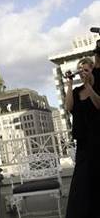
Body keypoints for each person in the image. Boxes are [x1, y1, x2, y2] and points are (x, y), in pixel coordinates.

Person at [65, 57, 100, 218]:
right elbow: (68, 107)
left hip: (98, 139)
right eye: (81, 70)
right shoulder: (76, 91)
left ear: (92, 70)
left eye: (86, 70)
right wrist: (70, 84)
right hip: (83, 142)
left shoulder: (97, 86)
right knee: (81, 182)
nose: (83, 73)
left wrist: (88, 85)